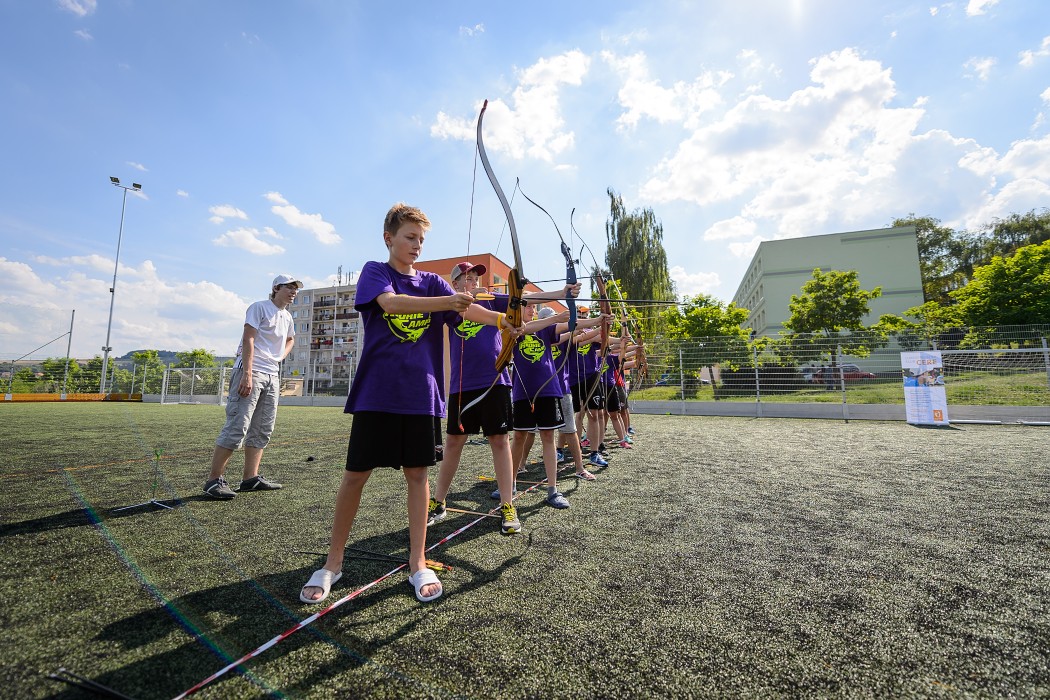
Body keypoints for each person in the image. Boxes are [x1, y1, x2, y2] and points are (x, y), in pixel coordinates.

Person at [300, 204, 518, 605]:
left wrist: (503, 320)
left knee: (418, 476)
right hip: (377, 393)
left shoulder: (433, 282)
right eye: (410, 237)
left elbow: (470, 310)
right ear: (389, 238)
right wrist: (449, 302)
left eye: (421, 239)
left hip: (421, 395)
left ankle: (418, 561)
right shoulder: (376, 272)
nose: (417, 245)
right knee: (355, 476)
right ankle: (333, 562)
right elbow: (391, 304)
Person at [428, 262, 578, 535]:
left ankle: (508, 505)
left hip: (495, 380)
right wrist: (465, 298)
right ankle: (438, 502)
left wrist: (561, 292)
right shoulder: (451, 304)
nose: (474, 282)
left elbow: (525, 299)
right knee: (454, 442)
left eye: (476, 278)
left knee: (499, 441)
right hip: (462, 384)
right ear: (456, 283)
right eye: (468, 278)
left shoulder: (492, 300)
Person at [203, 274, 300, 500]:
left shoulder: (287, 316)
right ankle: (213, 480)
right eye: (289, 287)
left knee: (262, 428)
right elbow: (248, 339)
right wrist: (247, 374)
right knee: (238, 425)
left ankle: (250, 479)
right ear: (276, 288)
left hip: (272, 374)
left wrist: (278, 358)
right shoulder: (259, 307)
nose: (294, 292)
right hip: (251, 371)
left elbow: (291, 339)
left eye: (296, 289)